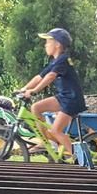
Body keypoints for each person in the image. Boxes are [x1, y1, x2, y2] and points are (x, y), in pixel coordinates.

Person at [14, 27, 86, 160]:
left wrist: (34, 91)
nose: (45, 44)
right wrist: (24, 89)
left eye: (48, 41)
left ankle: (81, 159)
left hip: (72, 100)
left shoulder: (63, 59)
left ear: (57, 44)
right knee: (36, 108)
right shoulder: (55, 61)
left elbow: (50, 77)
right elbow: (40, 77)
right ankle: (48, 143)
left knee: (56, 130)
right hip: (64, 97)